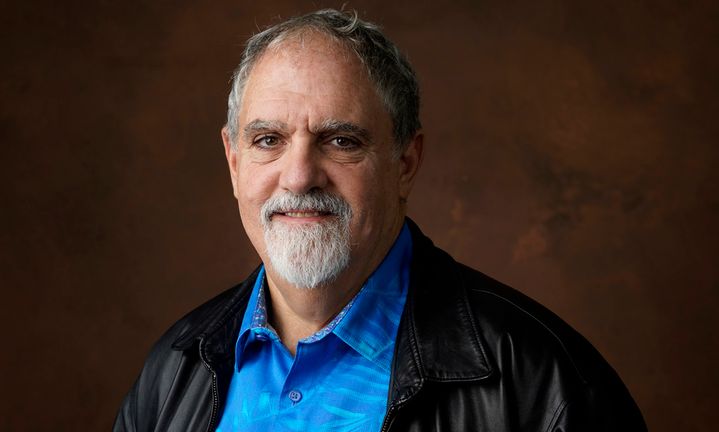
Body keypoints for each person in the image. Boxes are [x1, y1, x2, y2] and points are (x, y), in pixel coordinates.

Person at [114, 8, 646, 432]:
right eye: (268, 141)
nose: (299, 177)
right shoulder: (175, 367)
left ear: (405, 164)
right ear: (234, 163)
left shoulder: (543, 383)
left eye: (341, 141)